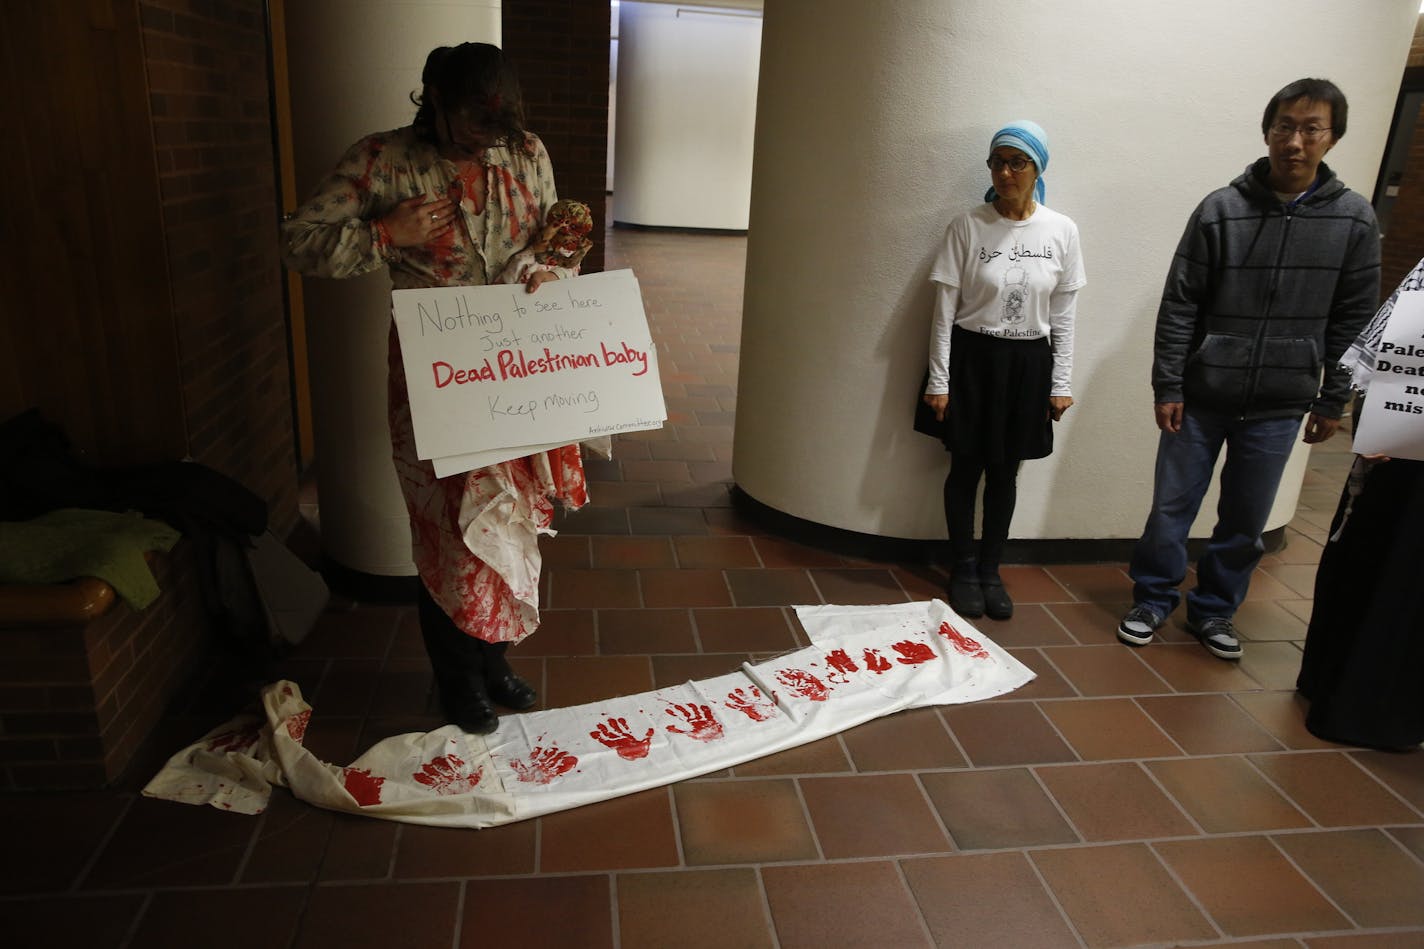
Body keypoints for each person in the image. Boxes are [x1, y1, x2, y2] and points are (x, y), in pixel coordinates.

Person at [281, 43, 592, 734]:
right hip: (435, 373)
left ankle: (494, 660)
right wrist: (384, 234)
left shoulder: (526, 151)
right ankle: (458, 680)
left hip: (515, 363)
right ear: (435, 102)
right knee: (449, 531)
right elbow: (297, 241)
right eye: (471, 130)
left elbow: (550, 238)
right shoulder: (383, 161)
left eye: (496, 133)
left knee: (511, 514)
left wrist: (547, 267)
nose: (486, 147)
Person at [1117, 78, 1380, 660]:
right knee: (1171, 508)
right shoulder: (1221, 209)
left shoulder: (1354, 221)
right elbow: (1180, 301)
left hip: (1282, 401)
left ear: (1331, 138)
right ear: (1267, 131)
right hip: (1204, 393)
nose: (1296, 140)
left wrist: (1332, 397)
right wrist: (1169, 382)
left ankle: (1214, 611)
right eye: (1285, 126)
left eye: (1312, 128)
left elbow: (1355, 319)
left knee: (1246, 519)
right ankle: (1153, 598)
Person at [923, 120, 1086, 620]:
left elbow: (1063, 316)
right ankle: (963, 567)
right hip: (973, 360)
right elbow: (944, 310)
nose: (1007, 171)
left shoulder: (1061, 230)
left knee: (1005, 473)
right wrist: (939, 379)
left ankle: (991, 570)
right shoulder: (968, 226)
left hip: (1027, 365)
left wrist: (1060, 384)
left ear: (1038, 168)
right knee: (965, 467)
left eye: (1018, 162)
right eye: (998, 161)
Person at [1295, 259, 1424, 749]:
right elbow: (1387, 350)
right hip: (1398, 454)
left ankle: (1386, 710)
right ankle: (1338, 688)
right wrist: (1380, 419)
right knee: (1370, 563)